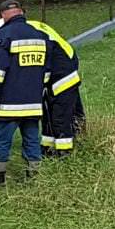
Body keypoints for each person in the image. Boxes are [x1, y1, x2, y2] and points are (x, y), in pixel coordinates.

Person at [0, 0, 52, 187]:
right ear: (21, 12)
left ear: (3, 15)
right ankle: (35, 178)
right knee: (32, 139)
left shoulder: (4, 36)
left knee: (2, 141)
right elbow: (47, 71)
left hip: (9, 103)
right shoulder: (41, 36)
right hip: (33, 102)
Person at [25, 20, 84, 155]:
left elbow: (42, 65)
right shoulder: (33, 26)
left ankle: (64, 152)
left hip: (62, 78)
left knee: (60, 117)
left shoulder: (33, 35)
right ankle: (48, 147)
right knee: (50, 114)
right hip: (65, 69)